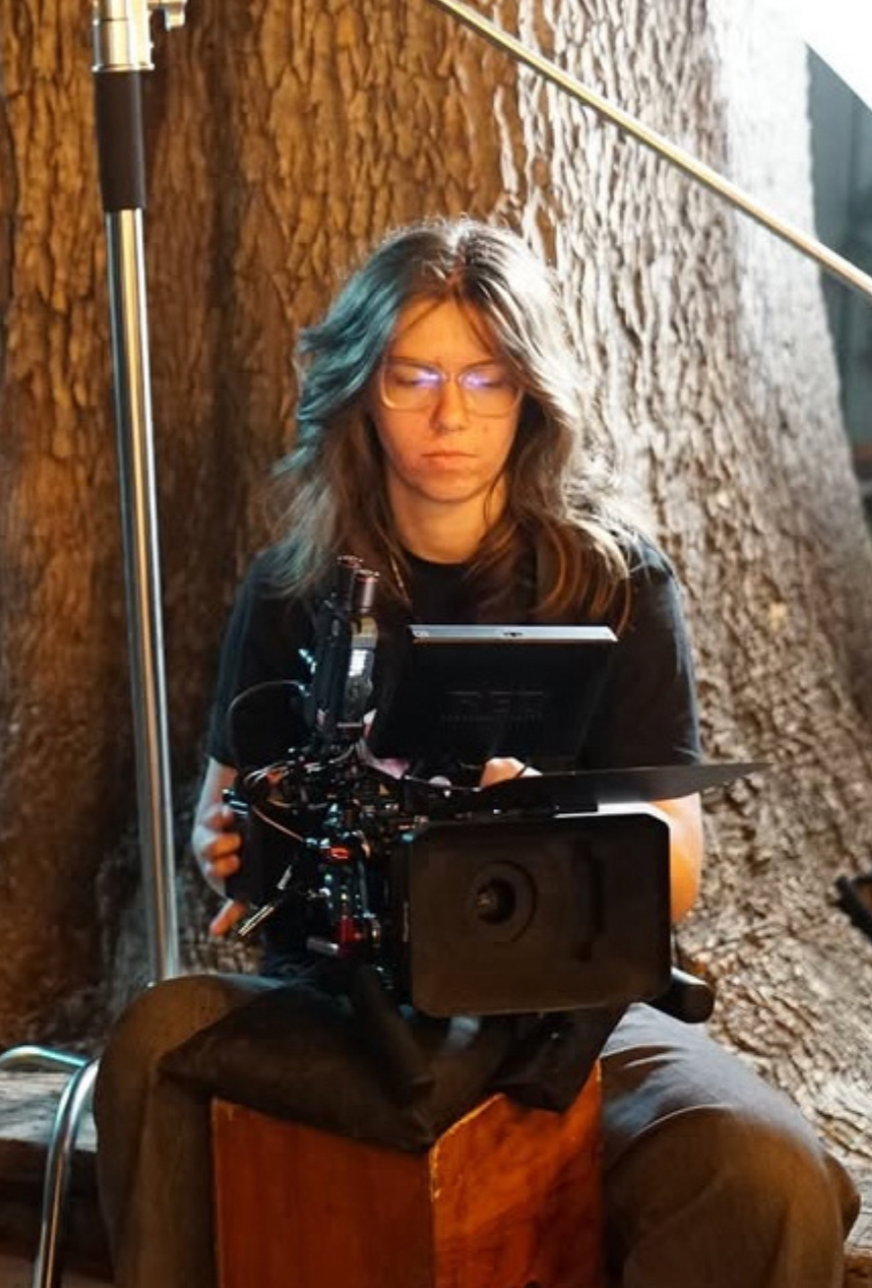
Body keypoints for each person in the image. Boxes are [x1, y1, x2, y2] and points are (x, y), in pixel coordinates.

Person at [94, 217, 859, 1288]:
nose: (448, 415)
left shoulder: (615, 580)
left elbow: (674, 864)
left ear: (528, 394)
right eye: (411, 377)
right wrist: (229, 845)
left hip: (568, 1004)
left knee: (762, 1172)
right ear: (363, 391)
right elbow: (218, 823)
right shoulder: (293, 586)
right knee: (154, 1044)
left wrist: (539, 832)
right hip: (342, 998)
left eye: (484, 379)